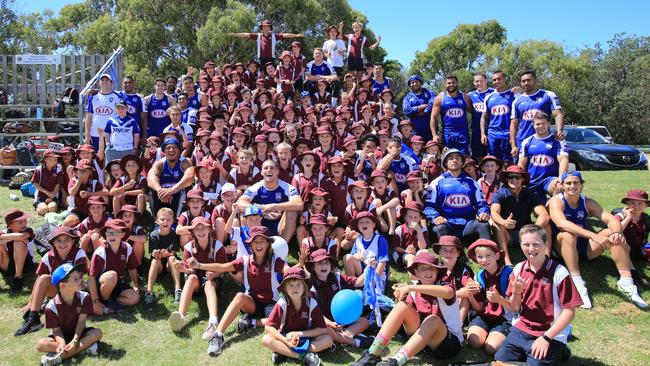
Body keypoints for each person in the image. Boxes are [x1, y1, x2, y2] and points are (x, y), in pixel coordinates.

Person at [183, 226, 289, 356]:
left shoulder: (275, 261)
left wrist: (299, 269)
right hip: (251, 304)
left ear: (268, 244)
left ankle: (251, 322)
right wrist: (199, 265)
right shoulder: (245, 260)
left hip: (270, 304)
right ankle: (218, 335)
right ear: (250, 245)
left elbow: (288, 270)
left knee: (284, 319)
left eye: (262, 241)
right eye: (255, 242)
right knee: (240, 296)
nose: (259, 245)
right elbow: (223, 267)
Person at [549, 171, 647, 309]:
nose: (572, 186)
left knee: (613, 234)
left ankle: (626, 282)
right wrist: (592, 235)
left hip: (585, 248)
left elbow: (610, 219)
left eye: (575, 182)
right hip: (563, 247)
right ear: (563, 186)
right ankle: (577, 282)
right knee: (566, 235)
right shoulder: (556, 201)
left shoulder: (587, 202)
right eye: (568, 183)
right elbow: (561, 224)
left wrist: (617, 232)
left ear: (581, 185)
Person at [351, 251, 462, 366]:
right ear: (416, 273)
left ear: (437, 271)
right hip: (422, 341)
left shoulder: (443, 284)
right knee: (402, 306)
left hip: (447, 343)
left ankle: (395, 362)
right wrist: (400, 298)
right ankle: (373, 354)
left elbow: (448, 292)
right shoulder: (415, 288)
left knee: (432, 319)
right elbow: (406, 317)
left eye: (432, 268)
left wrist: (410, 287)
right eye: (423, 268)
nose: (429, 272)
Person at [494, 224, 582, 366]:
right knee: (499, 362)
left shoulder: (559, 272)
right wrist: (516, 291)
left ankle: (558, 349)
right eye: (526, 244)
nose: (531, 249)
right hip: (522, 328)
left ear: (546, 244)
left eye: (536, 244)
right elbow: (515, 308)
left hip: (548, 332)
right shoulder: (518, 269)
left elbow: (569, 312)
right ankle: (549, 353)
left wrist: (546, 338)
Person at [170, 217, 228, 355]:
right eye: (197, 228)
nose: (200, 231)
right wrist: (183, 270)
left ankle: (213, 321)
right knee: (191, 278)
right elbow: (190, 270)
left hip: (213, 279)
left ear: (209, 229)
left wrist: (214, 275)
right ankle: (181, 317)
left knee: (208, 284)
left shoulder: (218, 246)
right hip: (196, 279)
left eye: (203, 228)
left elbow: (224, 268)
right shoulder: (189, 247)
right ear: (193, 232)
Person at [15, 227, 87, 337]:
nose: (62, 243)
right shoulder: (48, 256)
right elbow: (39, 280)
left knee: (67, 279)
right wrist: (30, 303)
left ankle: (47, 310)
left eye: (66, 240)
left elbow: (78, 278)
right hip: (58, 291)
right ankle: (33, 318)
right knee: (43, 278)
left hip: (75, 291)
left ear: (73, 241)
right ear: (53, 242)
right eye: (58, 240)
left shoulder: (79, 253)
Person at [261, 267, 333, 366]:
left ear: (304, 287)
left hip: (306, 337)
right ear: (285, 289)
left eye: (298, 284)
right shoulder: (282, 303)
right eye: (290, 285)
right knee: (266, 339)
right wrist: (286, 341)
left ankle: (285, 353)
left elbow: (322, 329)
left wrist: (300, 334)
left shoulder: (311, 303)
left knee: (328, 339)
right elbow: (268, 327)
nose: (294, 288)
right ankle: (303, 357)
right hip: (286, 337)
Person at [36, 263, 103, 366]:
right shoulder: (50, 307)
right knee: (41, 345)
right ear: (62, 285)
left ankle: (59, 357)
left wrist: (75, 340)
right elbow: (56, 330)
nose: (80, 280)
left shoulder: (84, 297)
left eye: (79, 277)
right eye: (75, 279)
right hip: (60, 337)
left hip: (79, 334)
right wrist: (62, 343)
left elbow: (81, 322)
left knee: (98, 333)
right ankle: (84, 349)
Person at [424, 149, 491, 242]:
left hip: (468, 225)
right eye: (451, 158)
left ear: (462, 162)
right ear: (446, 163)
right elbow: (429, 207)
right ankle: (448, 254)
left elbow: (482, 205)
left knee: (483, 225)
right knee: (439, 228)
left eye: (457, 158)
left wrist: (483, 212)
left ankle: (487, 253)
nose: (454, 160)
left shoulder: (472, 183)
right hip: (447, 224)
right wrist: (435, 217)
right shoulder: (436, 182)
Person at [491, 165, 550, 265]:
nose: (514, 179)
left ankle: (546, 258)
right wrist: (504, 222)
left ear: (522, 179)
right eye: (511, 177)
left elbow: (544, 214)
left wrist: (534, 228)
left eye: (517, 177)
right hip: (508, 234)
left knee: (546, 225)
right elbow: (494, 212)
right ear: (506, 179)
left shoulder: (530, 194)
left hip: (526, 233)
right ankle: (507, 262)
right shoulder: (499, 194)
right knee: (497, 225)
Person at [466, 239, 513, 356]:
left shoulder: (509, 274)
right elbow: (480, 309)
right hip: (485, 317)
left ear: (497, 255)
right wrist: (471, 296)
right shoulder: (479, 276)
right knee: (474, 342)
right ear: (476, 259)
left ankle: (500, 335)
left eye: (488, 255)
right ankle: (489, 333)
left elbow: (516, 307)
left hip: (505, 318)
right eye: (480, 257)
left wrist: (499, 299)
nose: (484, 260)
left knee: (491, 348)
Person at [237, 159, 303, 238]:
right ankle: (251, 243)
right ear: (261, 172)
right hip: (260, 223)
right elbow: (239, 204)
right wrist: (262, 210)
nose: (268, 170)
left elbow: (299, 204)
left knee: (291, 213)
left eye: (272, 168)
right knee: (245, 213)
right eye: (265, 168)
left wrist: (273, 206)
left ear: (277, 171)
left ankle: (282, 245)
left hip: (280, 225)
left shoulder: (286, 187)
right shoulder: (256, 187)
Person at [87, 219, 140, 315]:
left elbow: (132, 268)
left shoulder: (127, 247)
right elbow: (91, 279)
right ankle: (104, 301)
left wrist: (135, 285)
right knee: (112, 275)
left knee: (135, 298)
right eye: (109, 233)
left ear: (122, 235)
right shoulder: (100, 252)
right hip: (101, 285)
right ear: (105, 235)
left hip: (117, 283)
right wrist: (95, 301)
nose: (112, 235)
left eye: (116, 233)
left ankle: (111, 301)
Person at [510, 70, 564, 159]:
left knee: (542, 169)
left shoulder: (548, 95)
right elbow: (513, 124)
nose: (526, 83)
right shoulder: (517, 101)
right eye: (523, 81)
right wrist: (513, 145)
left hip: (543, 141)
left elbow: (558, 114)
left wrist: (559, 131)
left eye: (529, 80)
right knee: (521, 171)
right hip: (522, 141)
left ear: (536, 80)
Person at [518, 111, 568, 198]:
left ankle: (555, 207)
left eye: (543, 123)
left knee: (558, 187)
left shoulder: (558, 141)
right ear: (533, 125)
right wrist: (520, 180)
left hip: (549, 180)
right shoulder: (527, 142)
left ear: (548, 124)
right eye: (538, 124)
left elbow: (563, 160)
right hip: (532, 181)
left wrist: (561, 179)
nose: (540, 126)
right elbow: (521, 164)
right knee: (541, 210)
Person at [145, 208, 182, 310]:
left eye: (168, 219)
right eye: (162, 219)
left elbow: (174, 251)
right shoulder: (153, 234)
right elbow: (153, 253)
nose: (165, 222)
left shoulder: (174, 234)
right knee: (155, 260)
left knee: (172, 258)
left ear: (172, 221)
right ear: (157, 221)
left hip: (170, 265)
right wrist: (156, 253)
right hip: (159, 266)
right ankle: (149, 292)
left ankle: (178, 289)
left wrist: (168, 253)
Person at [147, 138, 195, 217]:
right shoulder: (159, 163)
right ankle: (157, 219)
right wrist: (160, 191)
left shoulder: (184, 162)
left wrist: (171, 190)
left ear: (179, 150)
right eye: (168, 148)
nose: (171, 150)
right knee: (152, 189)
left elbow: (190, 177)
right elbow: (150, 178)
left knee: (186, 188)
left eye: (174, 147)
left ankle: (177, 218)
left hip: (178, 194)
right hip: (162, 195)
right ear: (164, 151)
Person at [228, 19, 304, 66]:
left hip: (271, 59)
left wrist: (296, 35)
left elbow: (285, 35)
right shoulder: (258, 36)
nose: (266, 28)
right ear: (262, 28)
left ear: (270, 28)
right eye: (264, 26)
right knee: (262, 74)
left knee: (272, 73)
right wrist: (235, 34)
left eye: (267, 26)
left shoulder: (274, 36)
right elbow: (246, 34)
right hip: (261, 59)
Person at [430, 75, 472, 156]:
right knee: (448, 158)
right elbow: (433, 117)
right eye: (449, 83)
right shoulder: (440, 98)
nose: (451, 85)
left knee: (464, 158)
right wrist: (434, 135)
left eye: (453, 82)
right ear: (445, 85)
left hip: (463, 133)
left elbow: (474, 112)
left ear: (457, 83)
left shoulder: (465, 97)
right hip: (448, 133)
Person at [613, 189, 650, 277]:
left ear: (646, 205)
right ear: (627, 204)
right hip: (623, 246)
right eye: (632, 203)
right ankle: (631, 270)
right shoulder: (620, 215)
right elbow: (616, 230)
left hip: (640, 247)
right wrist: (628, 217)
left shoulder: (646, 218)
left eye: (640, 203)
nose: (636, 206)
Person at [481, 71, 515, 162]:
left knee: (508, 162)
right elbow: (484, 117)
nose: (496, 81)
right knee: (494, 162)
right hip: (493, 135)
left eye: (499, 79)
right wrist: (483, 133)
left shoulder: (514, 95)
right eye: (494, 80)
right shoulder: (489, 97)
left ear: (505, 79)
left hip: (508, 134)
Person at [0, 209, 35, 293]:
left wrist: (3, 238)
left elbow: (21, 236)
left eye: (24, 221)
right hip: (7, 265)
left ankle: (18, 277)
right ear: (10, 225)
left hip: (25, 265)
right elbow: (20, 237)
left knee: (18, 243)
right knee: (0, 246)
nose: (24, 224)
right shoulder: (4, 232)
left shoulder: (28, 231)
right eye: (20, 222)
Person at [84, 73, 121, 150]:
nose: (104, 82)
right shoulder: (93, 97)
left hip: (112, 134)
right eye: (102, 80)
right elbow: (88, 116)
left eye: (107, 80)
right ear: (99, 83)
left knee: (110, 159)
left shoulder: (117, 97)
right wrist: (87, 134)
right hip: (95, 134)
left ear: (111, 83)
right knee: (97, 159)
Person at [100, 98, 141, 164]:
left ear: (127, 109)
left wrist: (135, 148)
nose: (120, 110)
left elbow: (136, 135)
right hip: (113, 150)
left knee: (127, 170)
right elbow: (107, 133)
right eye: (118, 108)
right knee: (112, 169)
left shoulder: (132, 121)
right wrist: (108, 145)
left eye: (122, 108)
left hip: (128, 149)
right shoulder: (111, 120)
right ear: (115, 110)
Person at [467, 73, 493, 158]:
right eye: (476, 81)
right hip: (476, 131)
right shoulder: (470, 95)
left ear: (486, 81)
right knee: (477, 157)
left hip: (492, 130)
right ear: (474, 83)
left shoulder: (493, 92)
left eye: (481, 81)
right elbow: (468, 108)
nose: (479, 83)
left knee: (492, 157)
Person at [402, 75, 434, 141]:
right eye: (412, 83)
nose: (415, 84)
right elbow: (406, 111)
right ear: (410, 85)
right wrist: (421, 107)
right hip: (414, 132)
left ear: (420, 83)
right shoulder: (407, 97)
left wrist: (425, 112)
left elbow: (432, 104)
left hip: (430, 130)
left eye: (416, 82)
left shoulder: (429, 93)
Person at [32, 150, 64, 215]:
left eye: (55, 159)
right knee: (44, 210)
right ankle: (37, 205)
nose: (53, 161)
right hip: (40, 196)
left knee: (52, 208)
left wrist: (52, 196)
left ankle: (48, 205)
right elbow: (35, 184)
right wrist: (47, 193)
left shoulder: (58, 169)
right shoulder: (39, 169)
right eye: (51, 159)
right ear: (45, 159)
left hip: (53, 196)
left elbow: (58, 185)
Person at [120, 76, 147, 141]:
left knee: (134, 151)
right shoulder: (118, 95)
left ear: (133, 84)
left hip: (135, 133)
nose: (128, 84)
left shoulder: (140, 98)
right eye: (125, 83)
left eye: (130, 82)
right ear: (122, 84)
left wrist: (144, 135)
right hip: (120, 132)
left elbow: (144, 119)